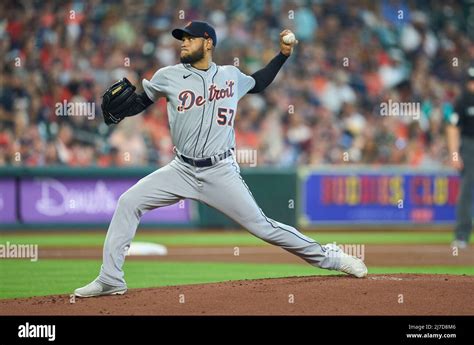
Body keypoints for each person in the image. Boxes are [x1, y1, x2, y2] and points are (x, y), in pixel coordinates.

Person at [74, 21, 367, 298]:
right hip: (181, 169)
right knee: (128, 202)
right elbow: (139, 102)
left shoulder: (230, 76)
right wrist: (121, 109)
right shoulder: (168, 76)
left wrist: (282, 55)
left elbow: (260, 82)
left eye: (189, 38)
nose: (183, 43)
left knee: (263, 226)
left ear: (208, 42)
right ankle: (111, 279)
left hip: (220, 170)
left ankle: (330, 256)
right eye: (181, 39)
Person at [446, 66, 474, 250]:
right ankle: (462, 235)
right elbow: (452, 128)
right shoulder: (463, 100)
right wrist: (455, 154)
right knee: (466, 190)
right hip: (469, 145)